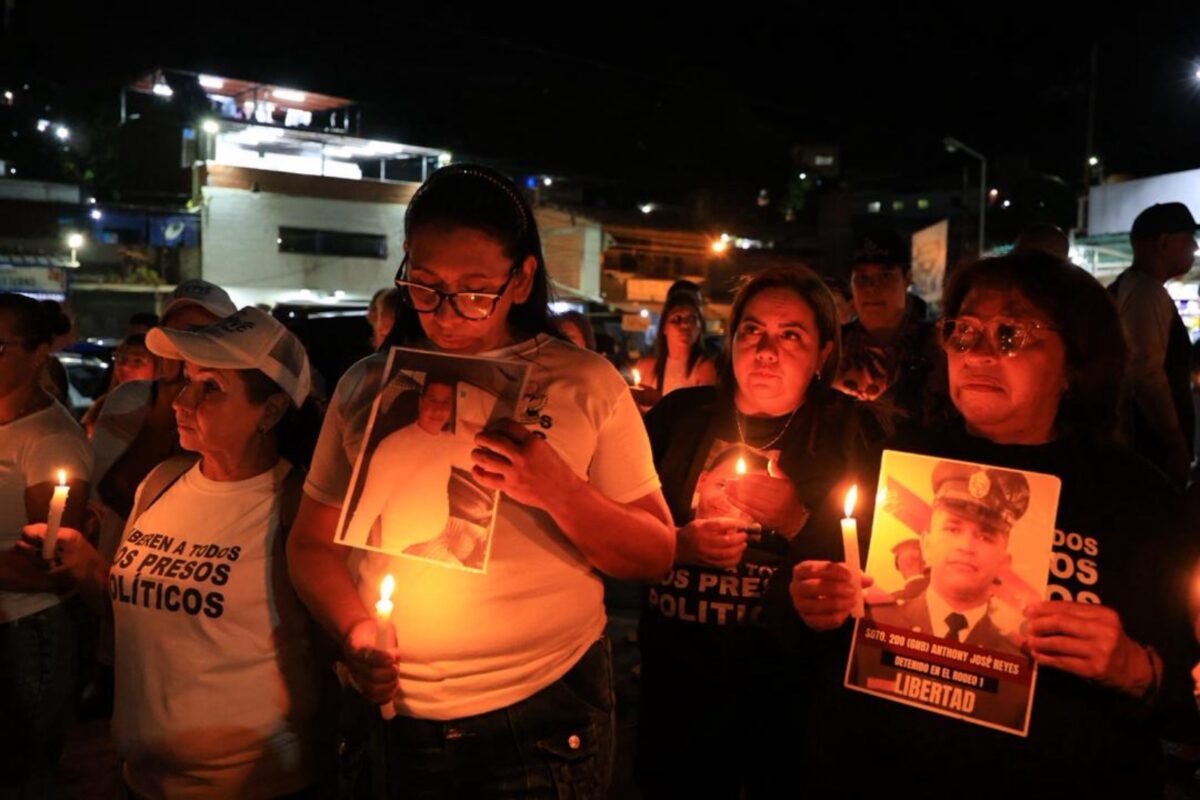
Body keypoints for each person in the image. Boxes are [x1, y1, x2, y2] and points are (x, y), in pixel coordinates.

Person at [286, 163, 673, 797]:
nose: (445, 313)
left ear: (521, 279)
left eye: (474, 289)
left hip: (540, 714)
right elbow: (310, 544)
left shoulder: (584, 382)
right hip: (393, 717)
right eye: (425, 285)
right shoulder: (365, 386)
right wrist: (355, 628)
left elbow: (655, 553)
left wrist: (558, 488)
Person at [789, 251, 1198, 797]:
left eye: (1010, 334)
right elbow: (798, 610)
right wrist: (809, 602)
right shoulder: (892, 462)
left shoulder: (1135, 498)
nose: (978, 354)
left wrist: (1134, 667)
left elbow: (1183, 694)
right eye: (963, 333)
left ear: (1075, 361)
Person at [24, 306, 324, 798]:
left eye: (212, 389)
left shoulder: (293, 506)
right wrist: (83, 563)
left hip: (253, 785)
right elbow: (132, 611)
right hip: (141, 781)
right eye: (187, 380)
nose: (183, 401)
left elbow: (327, 656)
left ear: (269, 411)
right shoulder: (161, 483)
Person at [637, 266, 880, 798]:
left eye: (791, 335)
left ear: (823, 353)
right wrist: (677, 545)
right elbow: (619, 526)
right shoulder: (680, 417)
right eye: (752, 330)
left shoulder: (849, 433)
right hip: (678, 686)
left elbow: (877, 564)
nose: (766, 350)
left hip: (789, 695)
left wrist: (796, 519)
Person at [0, 292, 93, 798]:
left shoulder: (50, 440)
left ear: (39, 354)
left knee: (19, 774)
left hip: (23, 634)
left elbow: (51, 570)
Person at [864, 462, 1029, 656]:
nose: (966, 546)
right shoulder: (874, 622)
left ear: (1003, 564)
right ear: (926, 545)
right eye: (953, 529)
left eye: (985, 537)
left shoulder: (1017, 657)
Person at [341, 376, 484, 565]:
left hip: (443, 528)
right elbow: (365, 513)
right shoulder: (392, 447)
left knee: (489, 542)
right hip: (409, 547)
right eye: (432, 400)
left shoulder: (446, 440)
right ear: (421, 402)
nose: (438, 409)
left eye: (446, 403)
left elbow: (476, 461)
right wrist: (362, 560)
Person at [1109, 202, 1198, 487]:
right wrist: (1174, 440)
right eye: (1189, 237)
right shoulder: (1147, 293)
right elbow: (1145, 374)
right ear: (1164, 242)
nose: (1195, 247)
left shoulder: (1128, 287)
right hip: (1147, 448)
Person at [833, 230, 948, 433]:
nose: (872, 288)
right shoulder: (830, 349)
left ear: (907, 278)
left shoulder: (939, 348)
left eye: (885, 276)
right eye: (862, 278)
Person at [632, 290, 718, 410]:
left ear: (699, 329)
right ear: (664, 328)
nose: (685, 325)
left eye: (692, 319)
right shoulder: (646, 367)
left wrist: (658, 401)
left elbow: (699, 418)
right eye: (677, 319)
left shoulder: (705, 370)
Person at [81, 334, 159, 436]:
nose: (125, 367)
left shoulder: (167, 411)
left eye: (138, 361)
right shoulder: (101, 407)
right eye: (121, 360)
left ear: (158, 366)